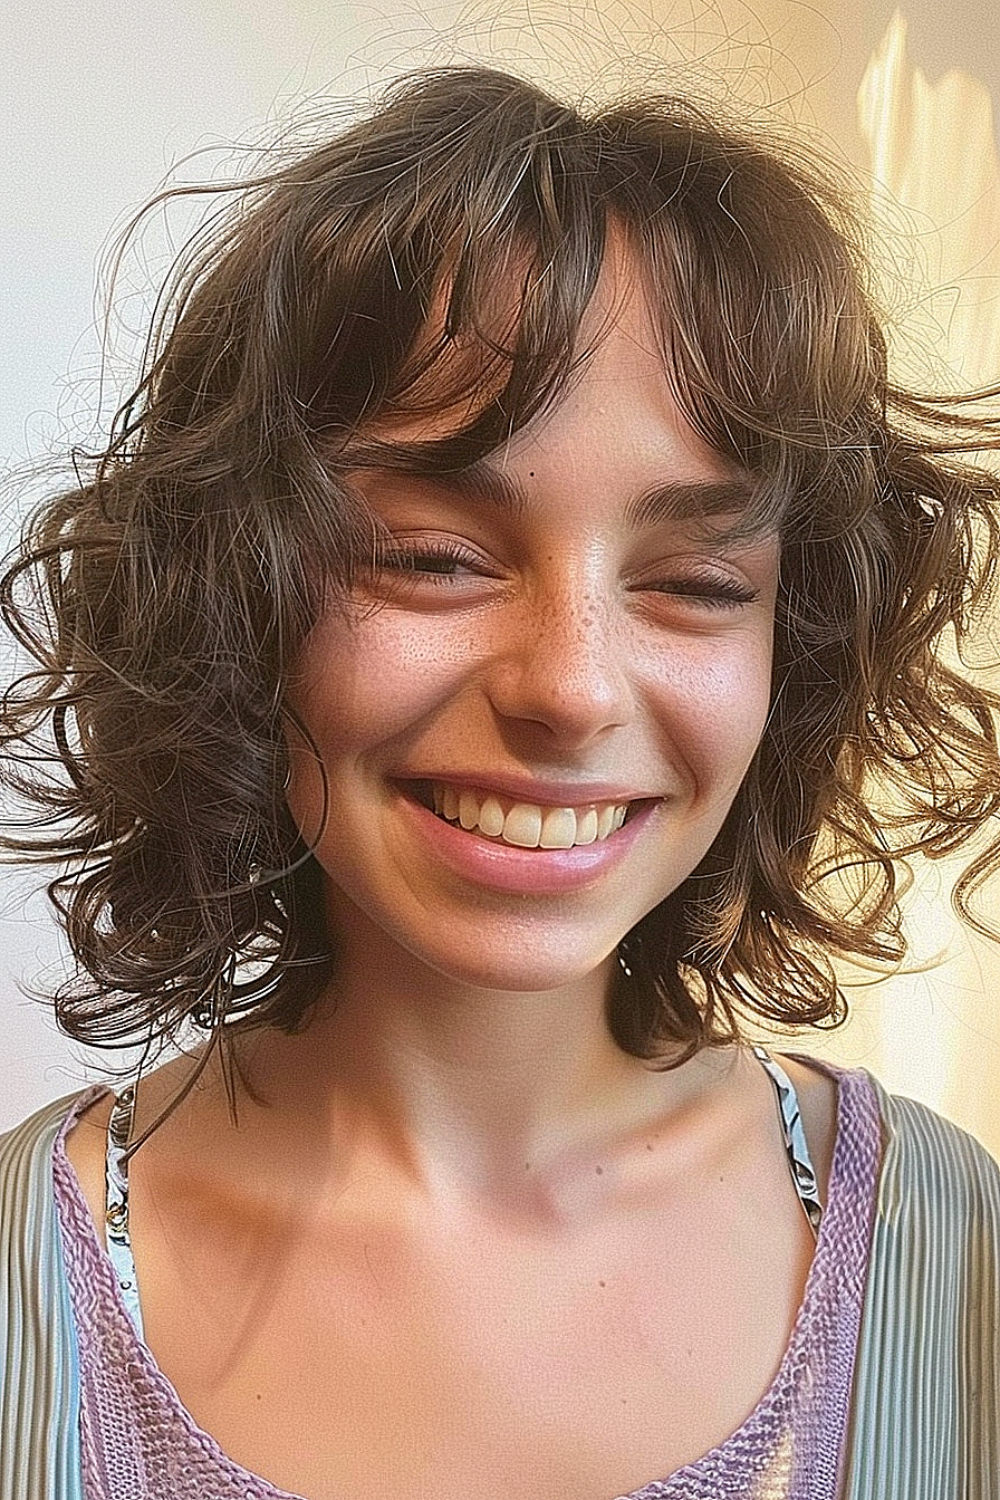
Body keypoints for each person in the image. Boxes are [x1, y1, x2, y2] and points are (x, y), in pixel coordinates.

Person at [1, 64, 998, 1500]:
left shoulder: (957, 1259)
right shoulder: (23, 1279)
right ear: (236, 602)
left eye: (699, 581)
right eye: (430, 557)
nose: (573, 686)